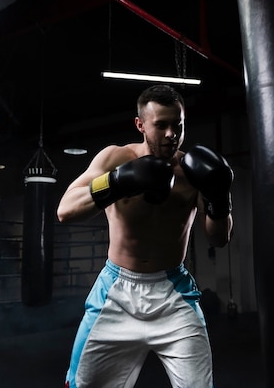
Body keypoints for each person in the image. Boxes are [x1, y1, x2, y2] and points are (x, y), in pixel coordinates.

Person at [57, 84, 234, 388]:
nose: (170, 134)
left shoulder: (192, 172)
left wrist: (219, 199)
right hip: (116, 292)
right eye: (161, 125)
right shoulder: (115, 158)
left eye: (177, 125)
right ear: (140, 124)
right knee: (83, 384)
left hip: (173, 294)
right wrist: (116, 182)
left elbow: (219, 239)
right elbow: (65, 210)